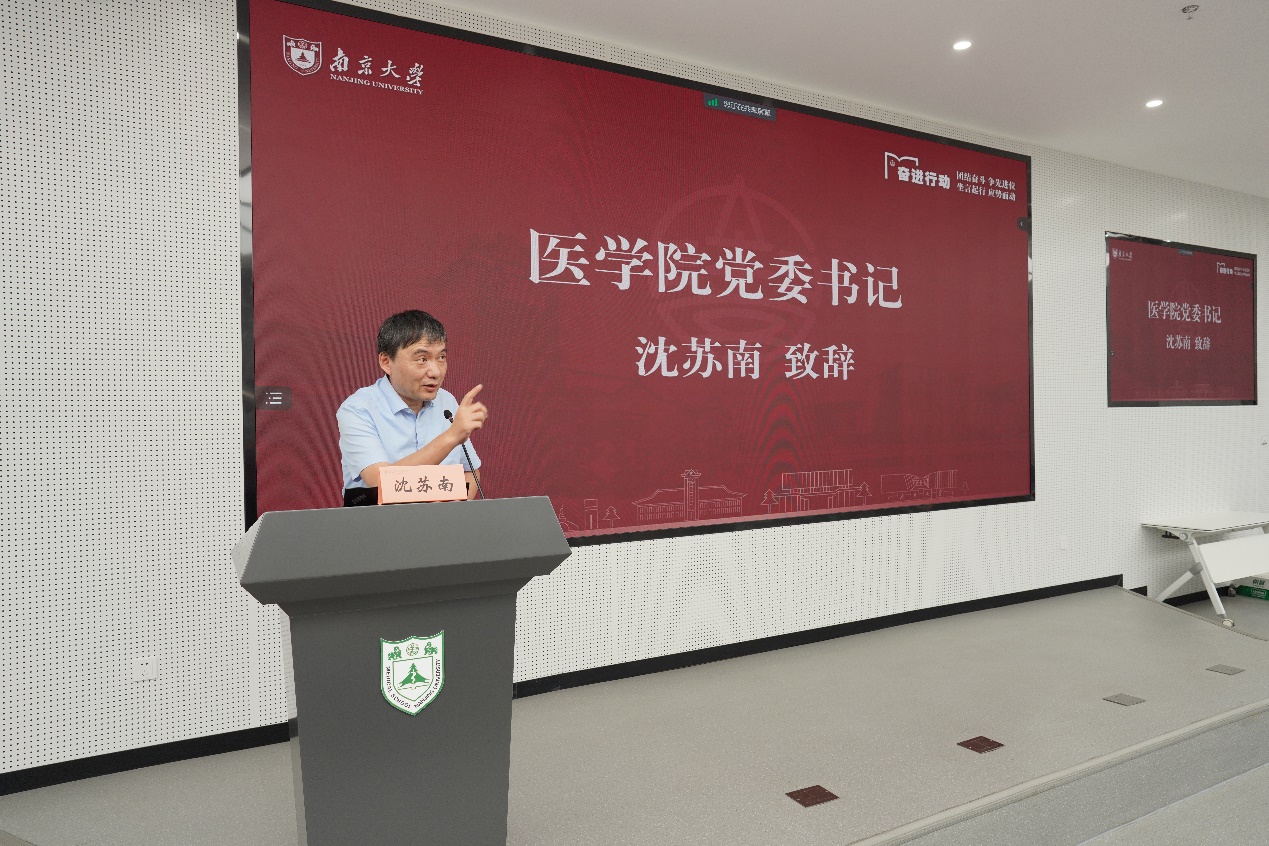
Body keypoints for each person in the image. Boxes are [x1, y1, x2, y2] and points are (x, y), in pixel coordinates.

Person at [337, 310, 487, 504]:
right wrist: (452, 436)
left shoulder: (446, 402)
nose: (435, 372)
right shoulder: (358, 409)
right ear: (386, 362)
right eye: (422, 359)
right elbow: (381, 483)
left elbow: (470, 472)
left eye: (441, 357)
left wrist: (450, 513)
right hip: (380, 522)